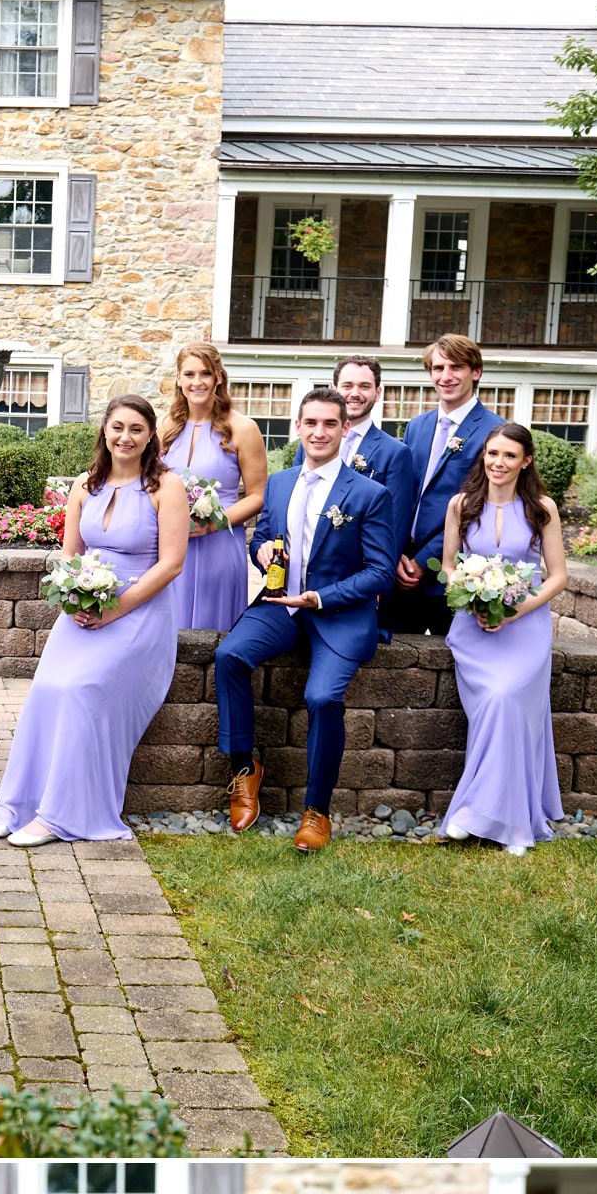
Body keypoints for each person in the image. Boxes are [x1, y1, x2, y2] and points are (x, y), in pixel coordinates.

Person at [0, 394, 189, 846]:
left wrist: (116, 608)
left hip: (140, 611)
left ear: (150, 437)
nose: (126, 437)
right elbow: (69, 555)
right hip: (85, 609)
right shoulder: (85, 484)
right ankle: (20, 803)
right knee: (45, 688)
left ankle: (62, 816)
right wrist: (73, 600)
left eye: (137, 429)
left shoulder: (166, 486)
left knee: (82, 691)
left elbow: (172, 564)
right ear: (105, 430)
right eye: (118, 427)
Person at [214, 385, 398, 853]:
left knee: (321, 696)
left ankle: (317, 810)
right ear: (297, 427)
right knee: (229, 655)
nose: (319, 432)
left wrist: (320, 597)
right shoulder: (279, 482)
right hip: (280, 606)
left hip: (338, 614)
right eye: (310, 422)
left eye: (329, 424)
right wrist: (261, 551)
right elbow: (265, 537)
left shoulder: (370, 494)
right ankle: (243, 769)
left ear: (345, 429)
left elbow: (379, 573)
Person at [438, 422, 569, 854]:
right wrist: (470, 594)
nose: (499, 462)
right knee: (495, 706)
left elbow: (558, 577)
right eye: (492, 453)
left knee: (507, 699)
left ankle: (484, 817)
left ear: (525, 460)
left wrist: (515, 610)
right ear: (483, 457)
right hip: (474, 630)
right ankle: (506, 821)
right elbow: (448, 567)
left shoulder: (542, 509)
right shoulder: (461, 505)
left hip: (525, 629)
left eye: (509, 455)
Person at [391, 334, 504, 637]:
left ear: (475, 372)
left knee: (457, 667)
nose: (445, 376)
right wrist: (399, 554)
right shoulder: (417, 426)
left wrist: (422, 561)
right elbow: (404, 496)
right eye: (438, 368)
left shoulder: (494, 432)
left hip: (453, 572)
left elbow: (480, 505)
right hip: (402, 571)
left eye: (456, 367)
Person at [158, 343, 267, 632]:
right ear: (179, 379)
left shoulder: (243, 428)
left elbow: (258, 495)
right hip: (171, 544)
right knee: (168, 628)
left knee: (213, 631)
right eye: (189, 374)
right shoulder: (163, 427)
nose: (197, 382)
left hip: (219, 543)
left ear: (218, 377)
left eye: (205, 373)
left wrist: (214, 523)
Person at [331, 353, 417, 564]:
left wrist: (377, 577)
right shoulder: (310, 443)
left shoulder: (395, 453)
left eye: (364, 386)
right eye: (347, 385)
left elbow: (395, 527)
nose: (355, 393)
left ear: (378, 393)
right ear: (334, 391)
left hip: (359, 571)